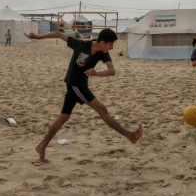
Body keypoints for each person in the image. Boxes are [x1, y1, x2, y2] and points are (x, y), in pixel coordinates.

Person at [26, 28, 143, 163]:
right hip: (74, 85)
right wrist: (37, 37)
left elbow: (112, 71)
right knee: (102, 109)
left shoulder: (102, 53)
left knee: (64, 117)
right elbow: (58, 34)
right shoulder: (81, 44)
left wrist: (96, 72)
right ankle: (129, 135)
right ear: (103, 42)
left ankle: (42, 146)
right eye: (111, 44)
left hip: (81, 85)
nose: (112, 48)